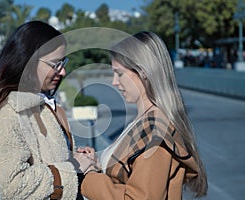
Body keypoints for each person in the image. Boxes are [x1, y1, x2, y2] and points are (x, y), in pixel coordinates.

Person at [0, 21, 95, 200]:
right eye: (55, 64)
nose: (63, 72)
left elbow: (40, 159)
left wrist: (77, 158)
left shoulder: (38, 105)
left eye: (63, 62)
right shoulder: (6, 111)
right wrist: (73, 167)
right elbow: (11, 187)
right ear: (28, 61)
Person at [80, 31, 208, 199]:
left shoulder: (156, 131)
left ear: (143, 72)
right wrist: (97, 164)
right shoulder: (145, 120)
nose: (114, 82)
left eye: (119, 73)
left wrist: (87, 177)